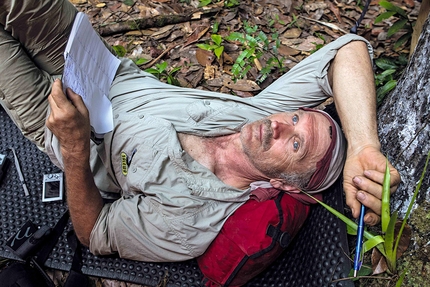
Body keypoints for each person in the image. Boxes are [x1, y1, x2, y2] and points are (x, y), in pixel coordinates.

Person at [0, 0, 400, 262]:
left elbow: (94, 232)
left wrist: (72, 148)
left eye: (295, 144)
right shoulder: (263, 115)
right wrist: (364, 146)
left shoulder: (190, 222)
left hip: (59, 125)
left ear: (287, 185)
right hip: (94, 64)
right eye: (295, 118)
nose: (279, 125)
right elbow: (349, 48)